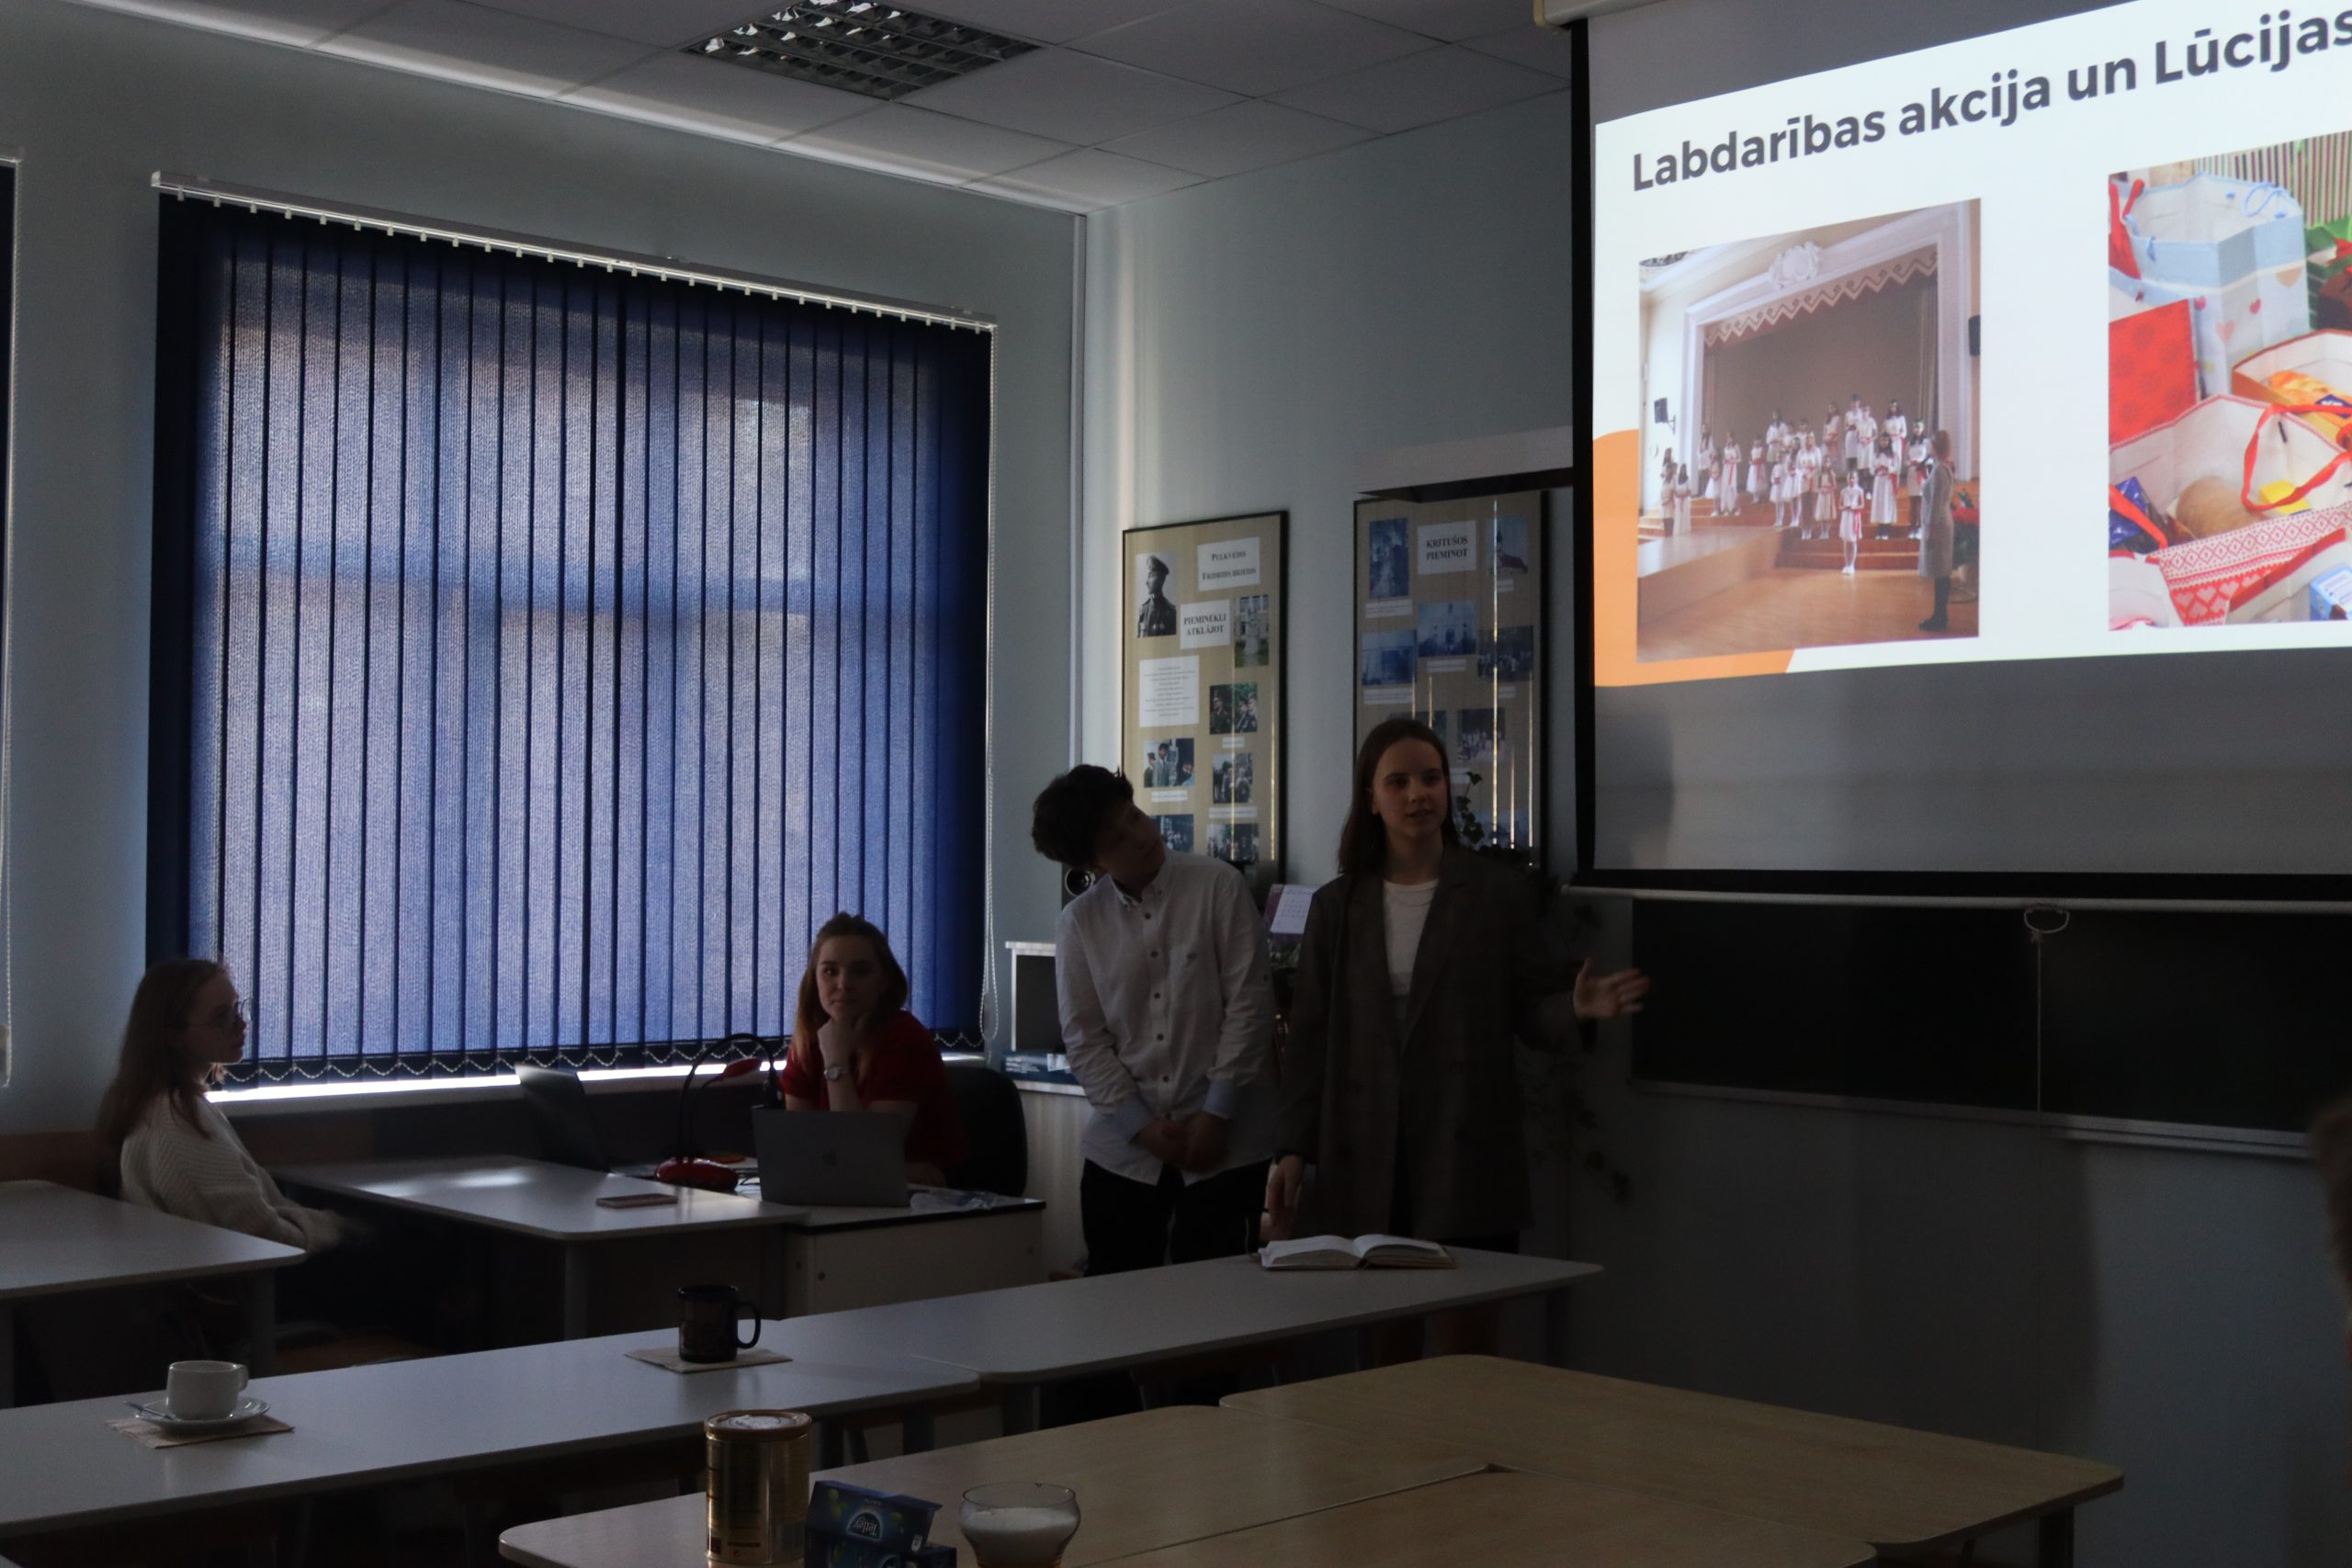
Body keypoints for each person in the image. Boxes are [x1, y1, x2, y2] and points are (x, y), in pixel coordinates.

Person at [1265, 717, 1648, 1258]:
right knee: (1377, 1305)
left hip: (1465, 1138)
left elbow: (1529, 1009)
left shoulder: (1494, 892)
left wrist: (1575, 1008)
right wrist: (1291, 1149)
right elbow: (1309, 1039)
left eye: (1432, 778)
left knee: (1470, 1300)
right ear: (1371, 798)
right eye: (1398, 782)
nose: (1418, 794)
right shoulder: (1337, 905)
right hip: (1366, 1142)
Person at [1031, 765, 1277, 1280]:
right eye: (1117, 839)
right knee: (1117, 1306)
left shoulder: (1218, 886)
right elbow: (1085, 1041)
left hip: (1228, 1147)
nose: (1141, 836)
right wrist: (1141, 1129)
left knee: (1218, 1303)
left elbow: (1249, 1008)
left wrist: (1216, 1115)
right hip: (1123, 1156)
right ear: (1092, 863)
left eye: (1135, 817)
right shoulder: (1079, 924)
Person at [98, 959, 349, 1250]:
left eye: (237, 1009)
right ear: (173, 1035)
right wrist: (335, 1232)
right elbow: (261, 1234)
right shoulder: (176, 1119)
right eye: (222, 1017)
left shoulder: (172, 1104)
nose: (241, 1024)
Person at [779, 913, 968, 1186]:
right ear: (814, 980)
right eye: (830, 971)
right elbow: (804, 1154)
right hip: (845, 1192)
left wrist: (836, 1062)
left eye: (861, 971)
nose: (844, 984)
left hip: (928, 1201)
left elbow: (862, 1156)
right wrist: (897, 1170)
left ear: (884, 980)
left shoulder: (906, 1040)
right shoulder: (809, 1039)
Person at [1917, 428, 1958, 632]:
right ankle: (1940, 614)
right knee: (1941, 573)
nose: (1928, 448)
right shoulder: (1943, 467)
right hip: (1942, 522)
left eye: (1931, 445)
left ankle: (1940, 617)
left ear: (1936, 447)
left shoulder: (1940, 470)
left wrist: (1931, 531)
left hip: (1939, 524)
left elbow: (1935, 503)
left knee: (1941, 572)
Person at [1136, 556, 1176, 638]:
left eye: (1151, 576)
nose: (1147, 582)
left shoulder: (1171, 612)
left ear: (1161, 580)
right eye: (1148, 576)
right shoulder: (1143, 610)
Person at [1838, 468, 1867, 577]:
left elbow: (1862, 505)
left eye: (1853, 478)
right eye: (1849, 478)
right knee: (1846, 541)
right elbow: (1839, 506)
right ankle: (1847, 564)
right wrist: (1845, 507)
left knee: (1853, 541)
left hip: (1854, 516)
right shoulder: (1844, 491)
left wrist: (1855, 507)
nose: (1851, 480)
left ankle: (1852, 565)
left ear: (1857, 479)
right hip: (1846, 516)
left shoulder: (1859, 490)